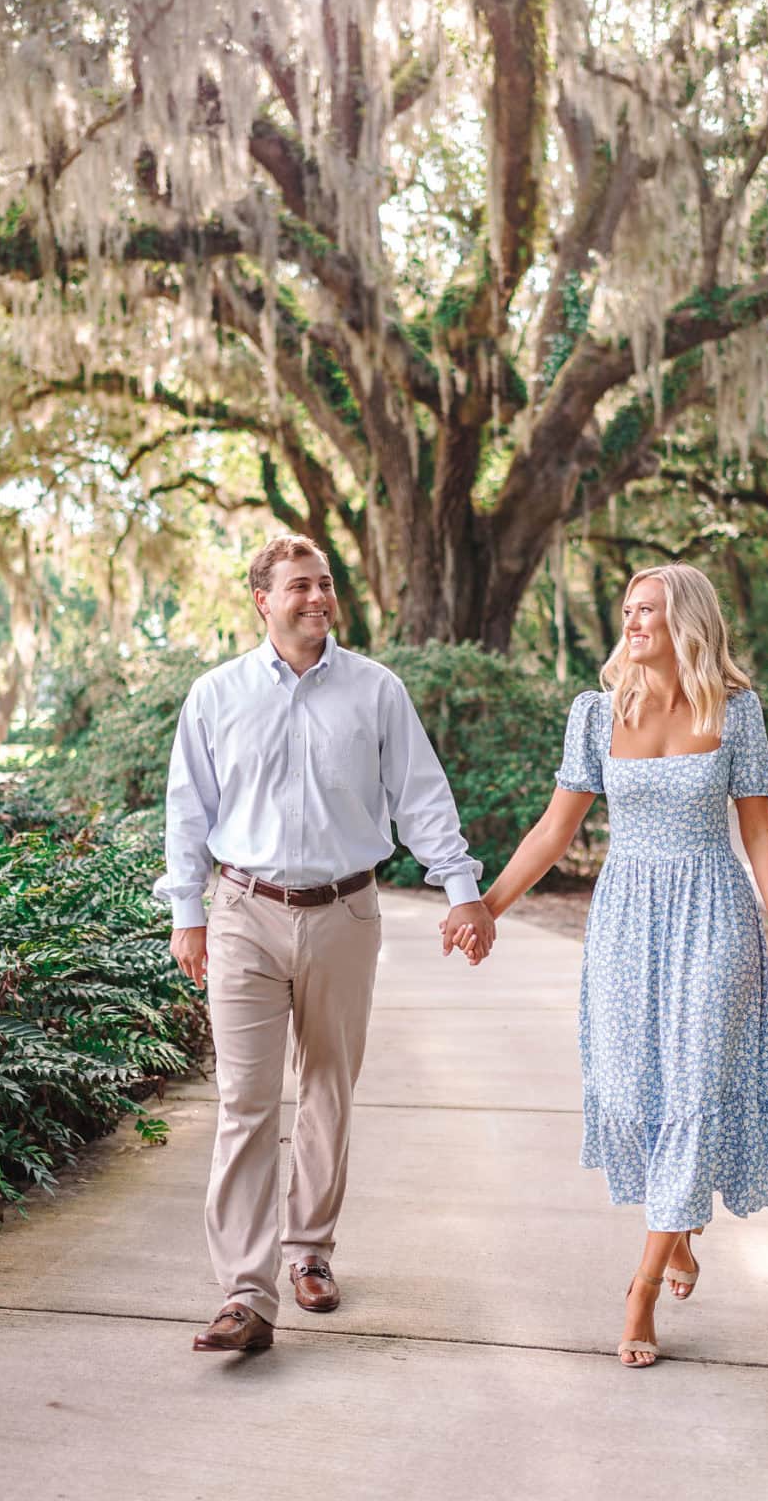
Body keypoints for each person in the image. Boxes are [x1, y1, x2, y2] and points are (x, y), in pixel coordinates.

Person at [444, 561, 768, 1367]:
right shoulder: (595, 715)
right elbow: (551, 831)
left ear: (689, 625)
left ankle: (640, 1289)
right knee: (629, 1085)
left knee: (697, 1093)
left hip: (714, 915)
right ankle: (674, 1229)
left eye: (650, 611)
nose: (633, 623)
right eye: (629, 610)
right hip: (625, 920)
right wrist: (487, 908)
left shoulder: (736, 713)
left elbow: (759, 831)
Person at [156, 533, 495, 1354]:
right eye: (299, 585)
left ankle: (309, 1250)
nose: (317, 597)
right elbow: (188, 811)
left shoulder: (375, 691)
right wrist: (187, 911)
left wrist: (463, 890)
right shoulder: (216, 695)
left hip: (346, 914)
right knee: (244, 1101)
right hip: (243, 912)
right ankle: (244, 1293)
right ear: (262, 600)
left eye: (325, 583)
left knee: (328, 1089)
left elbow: (421, 797)